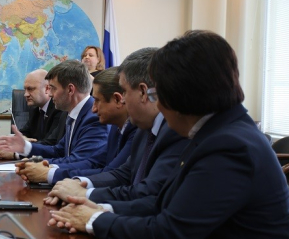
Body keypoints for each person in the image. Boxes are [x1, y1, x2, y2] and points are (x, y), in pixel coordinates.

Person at [49, 31, 289, 239]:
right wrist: (99, 208)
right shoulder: (214, 132)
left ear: (180, 94)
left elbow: (170, 233)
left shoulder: (230, 146)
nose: (157, 106)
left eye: (158, 95)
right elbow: (160, 203)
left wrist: (94, 220)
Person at [45, 48, 188, 205]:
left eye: (124, 92)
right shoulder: (143, 129)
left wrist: (85, 197)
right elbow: (122, 173)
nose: (123, 100)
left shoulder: (174, 131)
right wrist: (77, 184)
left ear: (143, 92)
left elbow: (149, 194)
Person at [16, 67, 137, 184]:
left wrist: (48, 173)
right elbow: (93, 162)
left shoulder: (97, 119)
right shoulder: (114, 127)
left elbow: (112, 174)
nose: (94, 109)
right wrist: (39, 164)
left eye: (97, 100)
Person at [0, 60, 107, 166]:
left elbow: (78, 162)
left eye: (53, 88)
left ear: (70, 90)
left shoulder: (94, 117)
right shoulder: (73, 114)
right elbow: (58, 151)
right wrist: (25, 147)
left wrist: (40, 167)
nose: (50, 94)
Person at [0, 69, 65, 159]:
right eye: (25, 89)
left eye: (30, 89)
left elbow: (51, 143)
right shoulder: (36, 109)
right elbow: (24, 132)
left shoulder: (59, 109)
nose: (25, 94)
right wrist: (12, 142)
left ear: (47, 89)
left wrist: (18, 150)